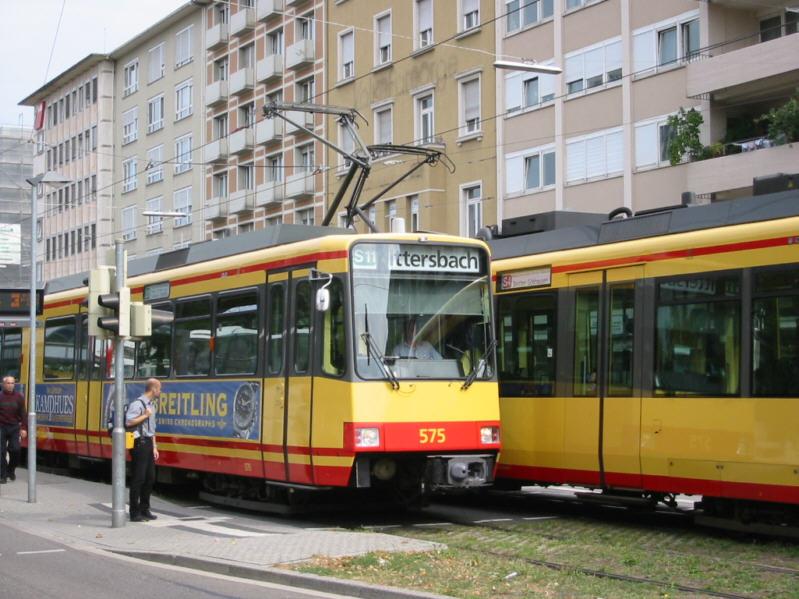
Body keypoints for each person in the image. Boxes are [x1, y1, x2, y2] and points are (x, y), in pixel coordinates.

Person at [126, 378, 160, 522]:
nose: (160, 391)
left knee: (150, 478)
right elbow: (128, 421)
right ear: (153, 389)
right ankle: (134, 512)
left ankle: (145, 509)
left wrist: (155, 447)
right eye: (159, 389)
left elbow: (151, 429)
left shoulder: (151, 405)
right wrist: (145, 415)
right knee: (138, 478)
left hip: (148, 443)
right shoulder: (137, 404)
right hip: (138, 443)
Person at [0, 375, 26, 483]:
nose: (10, 385)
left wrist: (24, 428)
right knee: (1, 451)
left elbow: (23, 414)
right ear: (3, 384)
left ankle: (11, 469)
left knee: (15, 449)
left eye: (12, 383)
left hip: (14, 427)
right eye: (8, 383)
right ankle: (3, 475)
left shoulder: (19, 397)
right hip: (1, 427)